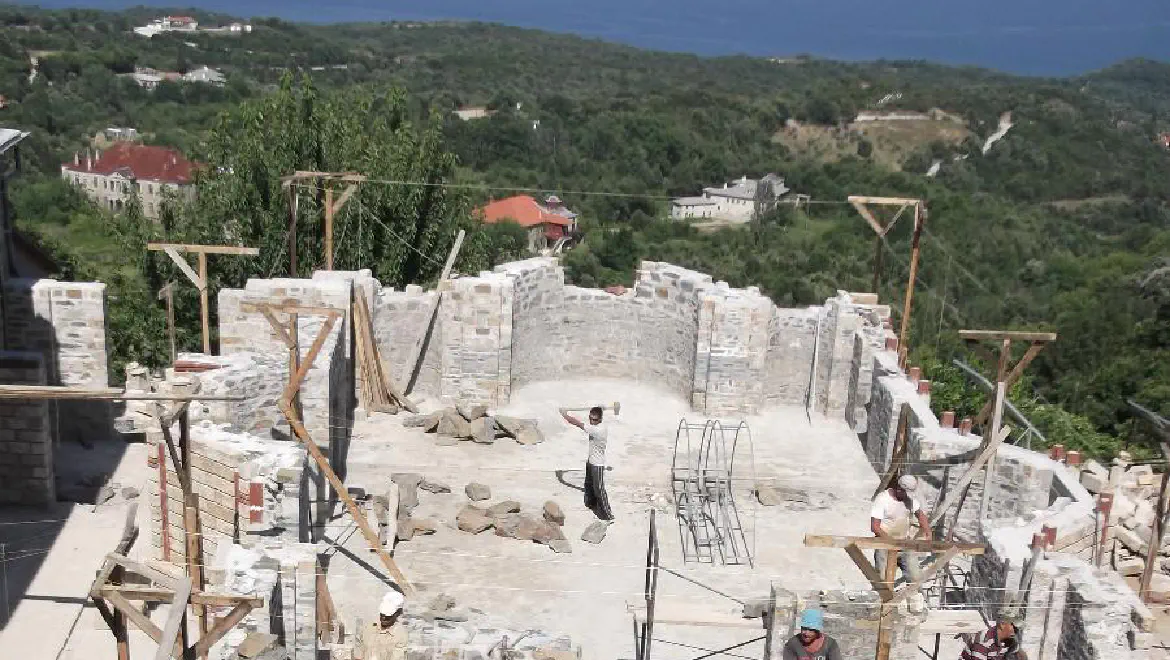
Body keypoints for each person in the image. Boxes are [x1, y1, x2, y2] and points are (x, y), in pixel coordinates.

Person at [871, 474, 931, 611]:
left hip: (904, 544)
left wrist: (927, 532)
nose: (907, 496)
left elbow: (920, 515)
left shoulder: (909, 499)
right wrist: (890, 542)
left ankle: (914, 607)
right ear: (898, 488)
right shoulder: (882, 499)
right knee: (883, 581)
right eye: (905, 493)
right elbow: (875, 527)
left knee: (915, 576)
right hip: (884, 545)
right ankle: (881, 609)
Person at [559, 405, 613, 521]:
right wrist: (601, 407)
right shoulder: (596, 424)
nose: (592, 421)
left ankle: (607, 515)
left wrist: (564, 415)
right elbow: (598, 411)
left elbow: (577, 423)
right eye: (590, 418)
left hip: (597, 464)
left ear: (600, 420)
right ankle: (591, 504)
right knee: (589, 484)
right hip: (590, 460)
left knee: (599, 488)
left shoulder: (598, 429)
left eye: (594, 420)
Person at [358, 590, 409, 660]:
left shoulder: (400, 635)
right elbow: (359, 651)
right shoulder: (369, 626)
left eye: (388, 616)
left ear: (398, 613)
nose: (383, 618)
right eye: (382, 614)